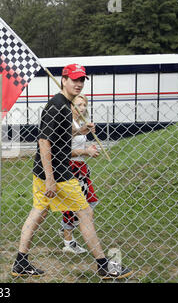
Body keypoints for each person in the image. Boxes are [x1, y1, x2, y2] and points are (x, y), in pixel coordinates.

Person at [11, 64, 133, 279]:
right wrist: (50, 179)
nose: (78, 84)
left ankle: (20, 262)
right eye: (74, 79)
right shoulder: (57, 105)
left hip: (45, 171)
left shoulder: (65, 105)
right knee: (85, 213)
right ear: (63, 80)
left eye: (82, 80)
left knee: (38, 212)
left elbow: (58, 135)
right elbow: (44, 141)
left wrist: (78, 130)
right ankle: (103, 265)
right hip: (56, 173)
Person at [60, 94, 100, 254]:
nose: (82, 108)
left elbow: (77, 142)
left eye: (84, 105)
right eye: (78, 104)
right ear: (70, 105)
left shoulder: (79, 123)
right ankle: (68, 240)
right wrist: (86, 151)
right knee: (74, 206)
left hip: (81, 167)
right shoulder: (66, 122)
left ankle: (67, 230)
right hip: (71, 168)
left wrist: (88, 147)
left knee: (91, 202)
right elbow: (62, 150)